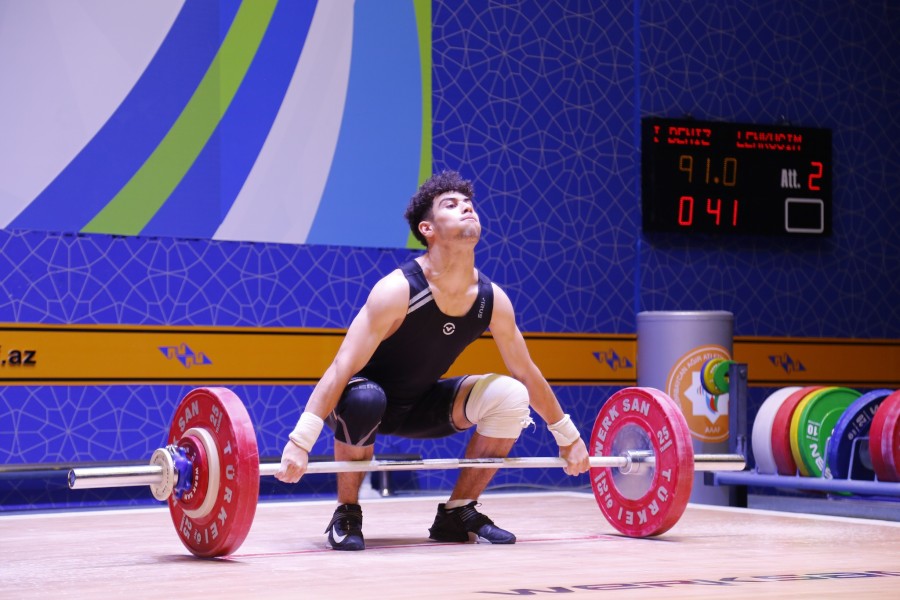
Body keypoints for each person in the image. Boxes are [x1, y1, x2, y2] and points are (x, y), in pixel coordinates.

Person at [275, 170, 590, 550]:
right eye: (451, 205)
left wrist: (568, 437)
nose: (467, 208)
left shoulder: (491, 299)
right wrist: (300, 441)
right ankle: (347, 512)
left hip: (422, 406)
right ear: (428, 229)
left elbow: (526, 372)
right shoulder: (398, 289)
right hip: (359, 402)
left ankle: (458, 512)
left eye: (469, 203)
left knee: (510, 395)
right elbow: (343, 366)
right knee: (366, 399)